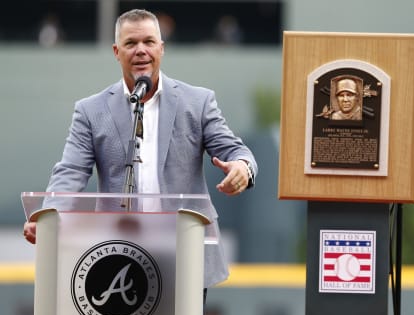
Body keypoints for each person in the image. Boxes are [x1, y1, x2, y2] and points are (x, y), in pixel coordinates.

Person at [23, 9, 257, 290]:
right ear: (116, 51)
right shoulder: (90, 111)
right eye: (131, 43)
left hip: (186, 252)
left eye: (148, 42)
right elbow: (71, 171)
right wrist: (48, 216)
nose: (141, 51)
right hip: (117, 253)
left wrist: (242, 167)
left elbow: (234, 150)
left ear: (162, 48)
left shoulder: (198, 102)